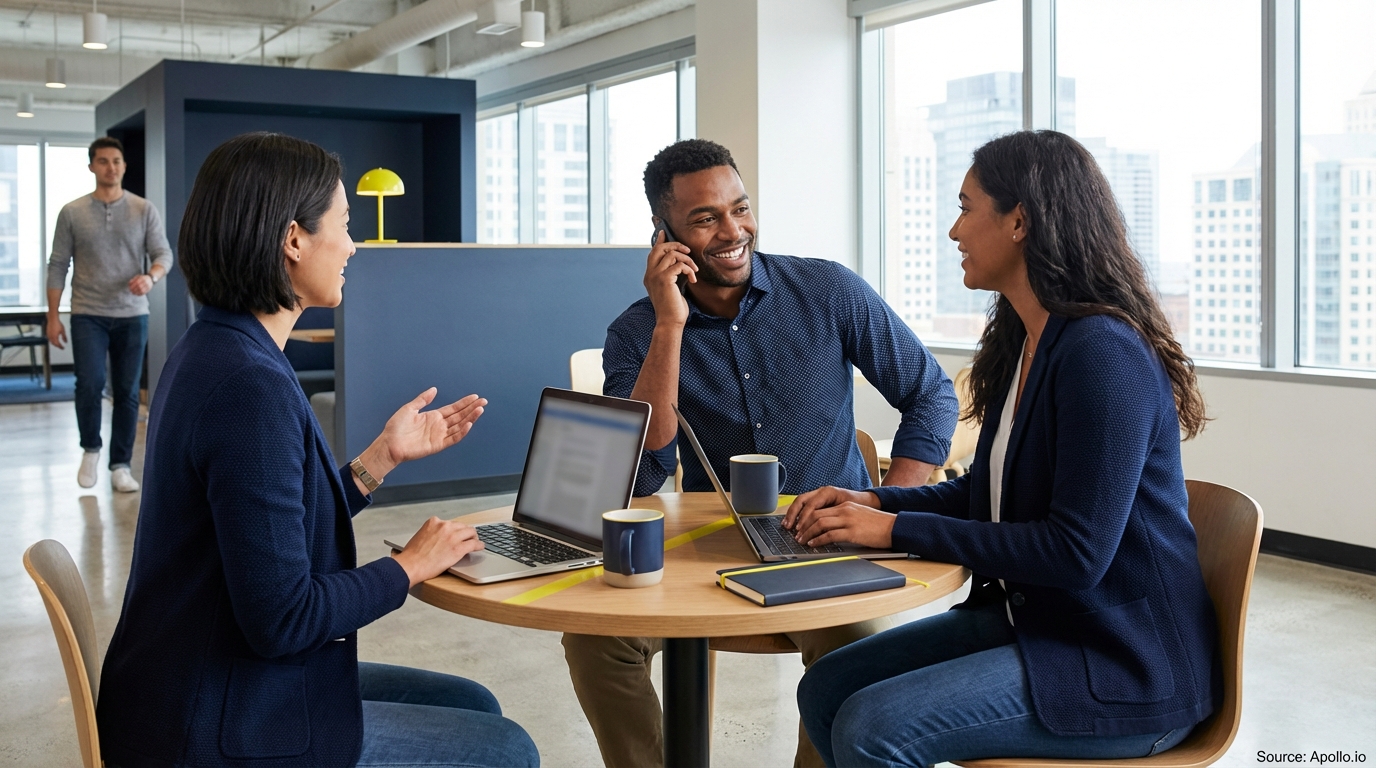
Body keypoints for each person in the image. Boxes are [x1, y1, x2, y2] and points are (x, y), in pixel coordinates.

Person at [96, 132, 539, 768]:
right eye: (345, 224)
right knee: (508, 750)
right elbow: (284, 619)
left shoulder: (215, 348)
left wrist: (381, 458)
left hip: (194, 682)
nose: (353, 245)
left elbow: (267, 529)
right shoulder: (249, 385)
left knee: (473, 702)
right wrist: (410, 565)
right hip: (214, 721)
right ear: (293, 239)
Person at [786, 130, 1220, 767]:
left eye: (966, 207)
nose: (954, 230)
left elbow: (1074, 554)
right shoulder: (1025, 339)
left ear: (1019, 221)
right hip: (1041, 624)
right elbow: (985, 493)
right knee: (826, 688)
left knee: (872, 727)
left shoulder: (1101, 353)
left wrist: (892, 529)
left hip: (1119, 664)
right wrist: (874, 500)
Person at [561, 139, 959, 768]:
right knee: (594, 641)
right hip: (706, 549)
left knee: (855, 656)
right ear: (664, 235)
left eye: (739, 208)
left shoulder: (827, 290)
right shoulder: (638, 331)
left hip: (824, 546)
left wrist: (892, 504)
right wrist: (671, 326)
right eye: (704, 218)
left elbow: (930, 393)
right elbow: (639, 473)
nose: (731, 230)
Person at [46, 136, 174, 492]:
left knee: (128, 390)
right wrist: (53, 315)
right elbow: (58, 264)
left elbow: (164, 254)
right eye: (103, 161)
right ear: (91, 166)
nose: (111, 167)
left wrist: (151, 277)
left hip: (133, 313)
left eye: (116, 161)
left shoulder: (143, 209)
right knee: (88, 383)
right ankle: (90, 448)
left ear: (123, 166)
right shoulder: (71, 212)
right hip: (88, 312)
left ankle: (120, 464)